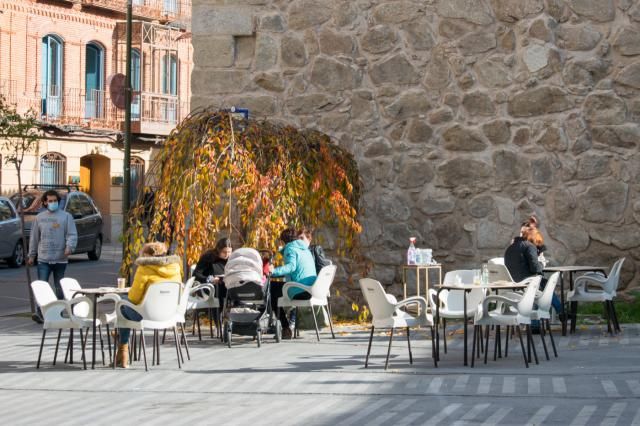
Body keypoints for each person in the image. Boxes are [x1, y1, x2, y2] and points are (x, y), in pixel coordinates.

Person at [115, 242, 181, 368]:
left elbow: (134, 298)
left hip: (145, 315)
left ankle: (122, 347)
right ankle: (121, 344)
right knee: (124, 304)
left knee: (122, 302)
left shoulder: (144, 269)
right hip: (168, 315)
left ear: (146, 254)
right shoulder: (175, 269)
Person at [28, 190, 78, 322]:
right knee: (42, 286)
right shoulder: (39, 218)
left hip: (60, 259)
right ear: (45, 202)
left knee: (59, 286)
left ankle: (59, 311)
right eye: (50, 201)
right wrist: (31, 255)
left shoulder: (66, 217)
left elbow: (72, 234)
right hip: (43, 258)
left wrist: (69, 247)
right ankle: (40, 312)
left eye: (55, 200)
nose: (53, 203)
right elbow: (34, 238)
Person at [269, 227, 317, 339]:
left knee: (270, 290)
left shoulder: (290, 249)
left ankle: (285, 327)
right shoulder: (305, 249)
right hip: (311, 289)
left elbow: (291, 267)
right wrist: (282, 251)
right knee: (275, 288)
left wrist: (273, 271)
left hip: (299, 290)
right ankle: (286, 327)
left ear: (283, 241)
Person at [193, 237, 232, 305]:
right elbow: (196, 274)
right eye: (224, 252)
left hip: (225, 285)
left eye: (229, 252)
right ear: (218, 250)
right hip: (209, 287)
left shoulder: (230, 259)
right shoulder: (208, 257)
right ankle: (217, 314)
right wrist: (209, 279)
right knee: (221, 291)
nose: (227, 255)